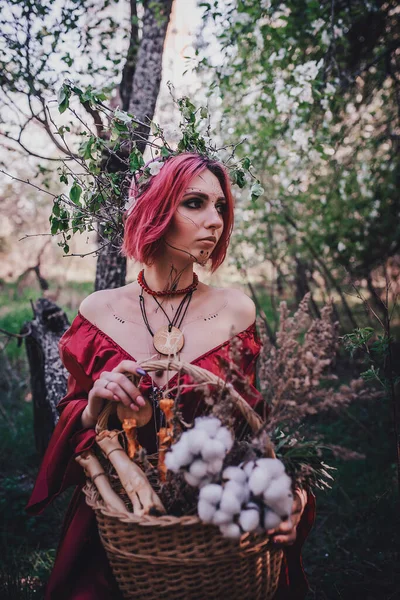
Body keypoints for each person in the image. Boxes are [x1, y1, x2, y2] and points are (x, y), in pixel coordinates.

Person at [27, 152, 315, 599]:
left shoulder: (235, 310)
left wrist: (289, 498)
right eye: (195, 203)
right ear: (156, 209)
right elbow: (74, 417)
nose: (215, 221)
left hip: (210, 530)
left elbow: (254, 430)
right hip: (120, 523)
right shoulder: (99, 311)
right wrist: (93, 404)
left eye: (220, 207)